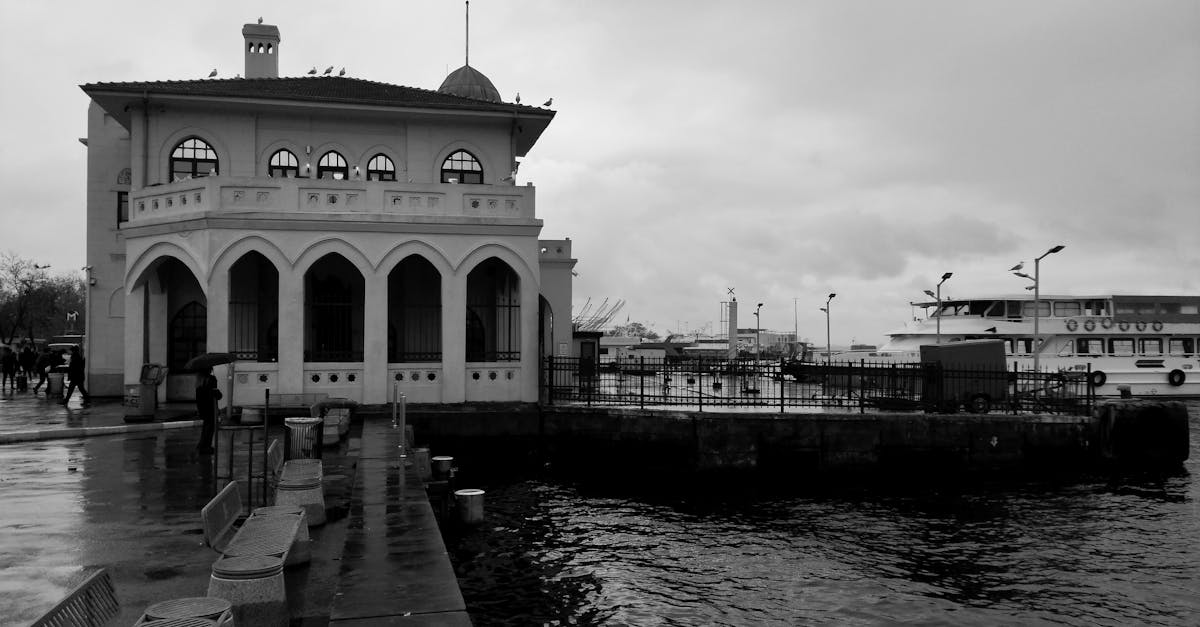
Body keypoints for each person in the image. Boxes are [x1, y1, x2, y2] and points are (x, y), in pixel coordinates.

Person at [195, 366, 221, 454]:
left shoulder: (199, 381)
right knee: (210, 428)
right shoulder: (212, 379)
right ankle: (207, 446)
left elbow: (198, 397)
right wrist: (218, 394)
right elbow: (215, 394)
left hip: (202, 408)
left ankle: (202, 445)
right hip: (210, 407)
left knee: (206, 426)